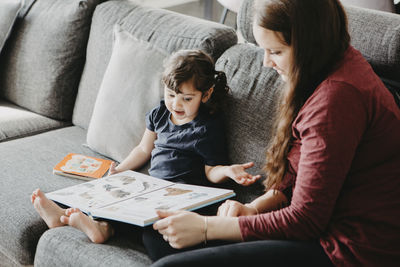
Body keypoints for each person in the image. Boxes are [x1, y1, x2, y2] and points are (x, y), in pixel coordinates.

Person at [146, 0, 400, 266]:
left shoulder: (336, 98)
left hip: (348, 249)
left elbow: (306, 220)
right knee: (160, 234)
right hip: (319, 230)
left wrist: (208, 227)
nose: (266, 62)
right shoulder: (328, 63)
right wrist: (253, 208)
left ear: (309, 45)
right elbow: (298, 173)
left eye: (275, 51)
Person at [31, 49, 261, 244]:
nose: (176, 104)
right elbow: (143, 149)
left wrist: (228, 171)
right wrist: (121, 170)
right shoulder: (160, 114)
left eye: (187, 98)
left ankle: (103, 229)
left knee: (151, 220)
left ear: (206, 94)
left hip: (183, 195)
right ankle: (63, 215)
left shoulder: (206, 128)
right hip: (151, 187)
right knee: (114, 195)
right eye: (171, 95)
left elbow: (211, 171)